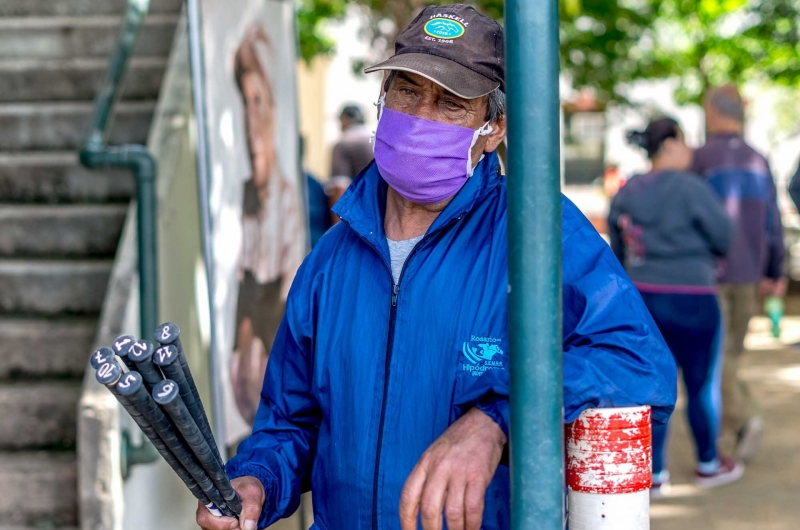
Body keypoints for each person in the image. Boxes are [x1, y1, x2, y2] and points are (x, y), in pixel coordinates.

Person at [197, 5, 676, 530]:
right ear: (383, 100)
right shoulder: (330, 259)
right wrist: (258, 480)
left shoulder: (538, 233)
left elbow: (637, 366)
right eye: (407, 90)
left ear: (493, 128)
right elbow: (292, 421)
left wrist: (499, 420)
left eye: (450, 102)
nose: (421, 116)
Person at [609, 118, 739, 495]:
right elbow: (724, 235)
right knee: (700, 386)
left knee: (653, 386)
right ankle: (708, 464)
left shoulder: (628, 190)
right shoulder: (692, 188)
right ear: (670, 145)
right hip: (695, 298)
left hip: (645, 299)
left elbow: (618, 250)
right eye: (685, 143)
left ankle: (654, 475)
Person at [692, 85, 785, 461]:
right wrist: (774, 269)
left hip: (709, 273)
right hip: (749, 271)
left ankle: (744, 419)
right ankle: (733, 430)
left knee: (717, 358)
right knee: (731, 354)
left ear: (713, 112)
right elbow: (772, 222)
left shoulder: (700, 160)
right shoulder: (758, 160)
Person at [230, 26, 306, 426]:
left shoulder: (286, 201)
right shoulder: (241, 199)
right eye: (244, 102)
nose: (249, 119)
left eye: (258, 102)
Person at [327, 104, 375, 226]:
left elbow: (340, 187)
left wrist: (336, 230)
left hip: (357, 217)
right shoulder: (375, 142)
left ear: (343, 120)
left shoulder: (343, 145)